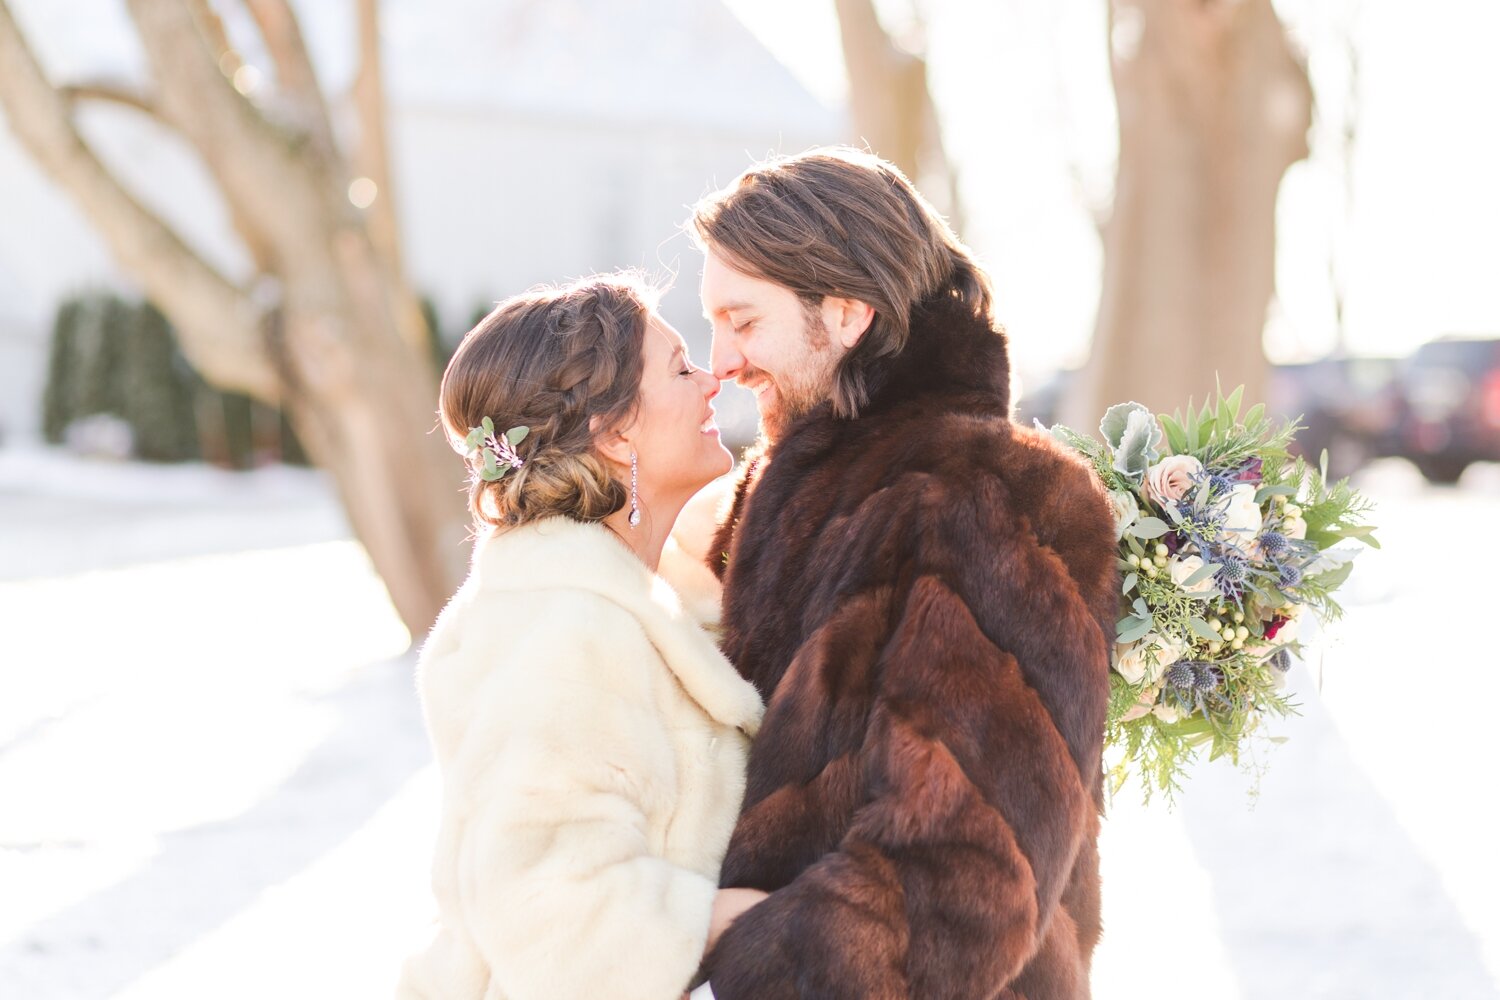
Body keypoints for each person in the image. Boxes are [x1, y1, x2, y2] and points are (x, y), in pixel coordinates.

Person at [678, 148, 1120, 999]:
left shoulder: (990, 494)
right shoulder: (780, 492)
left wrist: (738, 943)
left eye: (742, 320)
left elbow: (966, 882)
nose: (721, 361)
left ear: (846, 313)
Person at [395, 274, 765, 1000]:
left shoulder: (624, 609)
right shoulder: (566, 629)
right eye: (680, 368)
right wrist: (759, 920)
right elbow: (553, 911)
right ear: (614, 427)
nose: (713, 380)